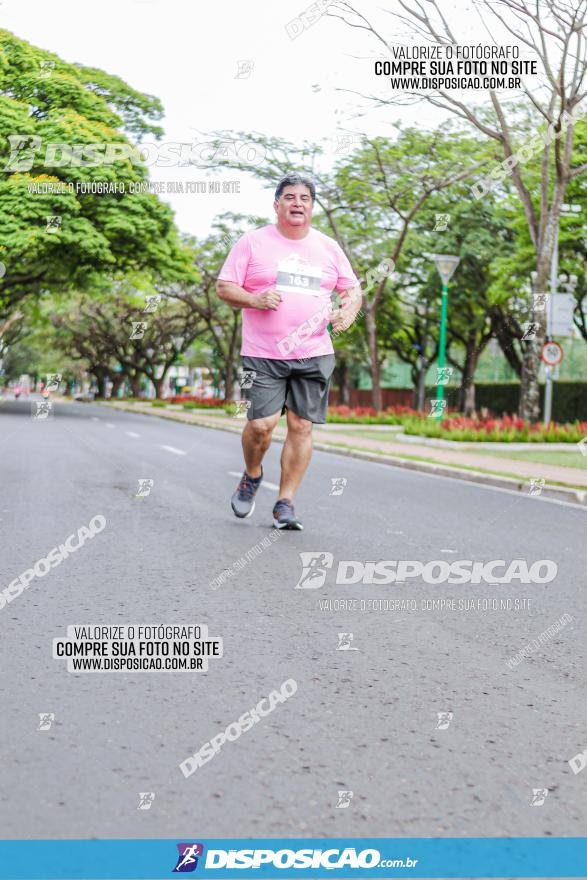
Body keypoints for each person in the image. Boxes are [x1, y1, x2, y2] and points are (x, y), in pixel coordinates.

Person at [216, 172, 361, 530]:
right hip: (263, 353)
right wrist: (255, 298)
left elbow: (352, 289)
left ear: (312, 206)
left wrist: (348, 311)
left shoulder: (327, 247)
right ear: (277, 204)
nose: (298, 203)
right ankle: (251, 474)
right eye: (290, 197)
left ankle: (285, 503)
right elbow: (223, 287)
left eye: (305, 198)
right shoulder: (252, 243)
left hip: (314, 351)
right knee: (262, 426)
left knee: (301, 427)